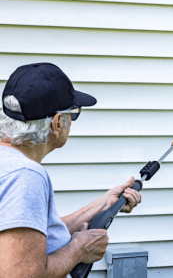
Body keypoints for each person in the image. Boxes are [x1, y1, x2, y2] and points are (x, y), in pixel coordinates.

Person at [0, 63, 142, 278]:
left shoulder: (8, 164)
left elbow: (32, 237)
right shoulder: (26, 176)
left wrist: (104, 203)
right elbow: (22, 274)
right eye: (73, 114)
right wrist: (79, 250)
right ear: (57, 123)